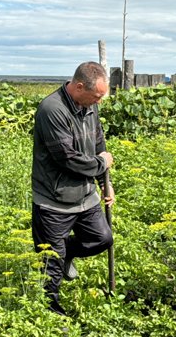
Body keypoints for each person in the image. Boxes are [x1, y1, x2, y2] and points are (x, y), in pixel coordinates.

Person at [31, 61, 115, 315]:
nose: (99, 101)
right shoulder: (51, 110)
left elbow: (98, 142)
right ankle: (52, 317)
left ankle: (65, 252)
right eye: (97, 96)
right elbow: (67, 159)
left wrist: (105, 184)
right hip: (53, 200)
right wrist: (101, 164)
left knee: (102, 239)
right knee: (51, 265)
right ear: (79, 87)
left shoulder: (88, 106)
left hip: (85, 195)